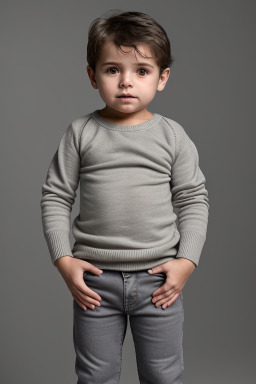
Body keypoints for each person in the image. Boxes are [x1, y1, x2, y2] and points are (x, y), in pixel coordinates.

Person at [40, 10, 210, 384]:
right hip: (95, 282)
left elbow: (193, 199)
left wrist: (187, 261)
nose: (126, 83)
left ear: (163, 78)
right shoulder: (80, 133)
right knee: (95, 377)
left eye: (142, 71)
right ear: (92, 75)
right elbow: (55, 196)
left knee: (163, 376)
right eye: (113, 70)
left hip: (159, 282)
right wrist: (63, 259)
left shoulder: (173, 136)